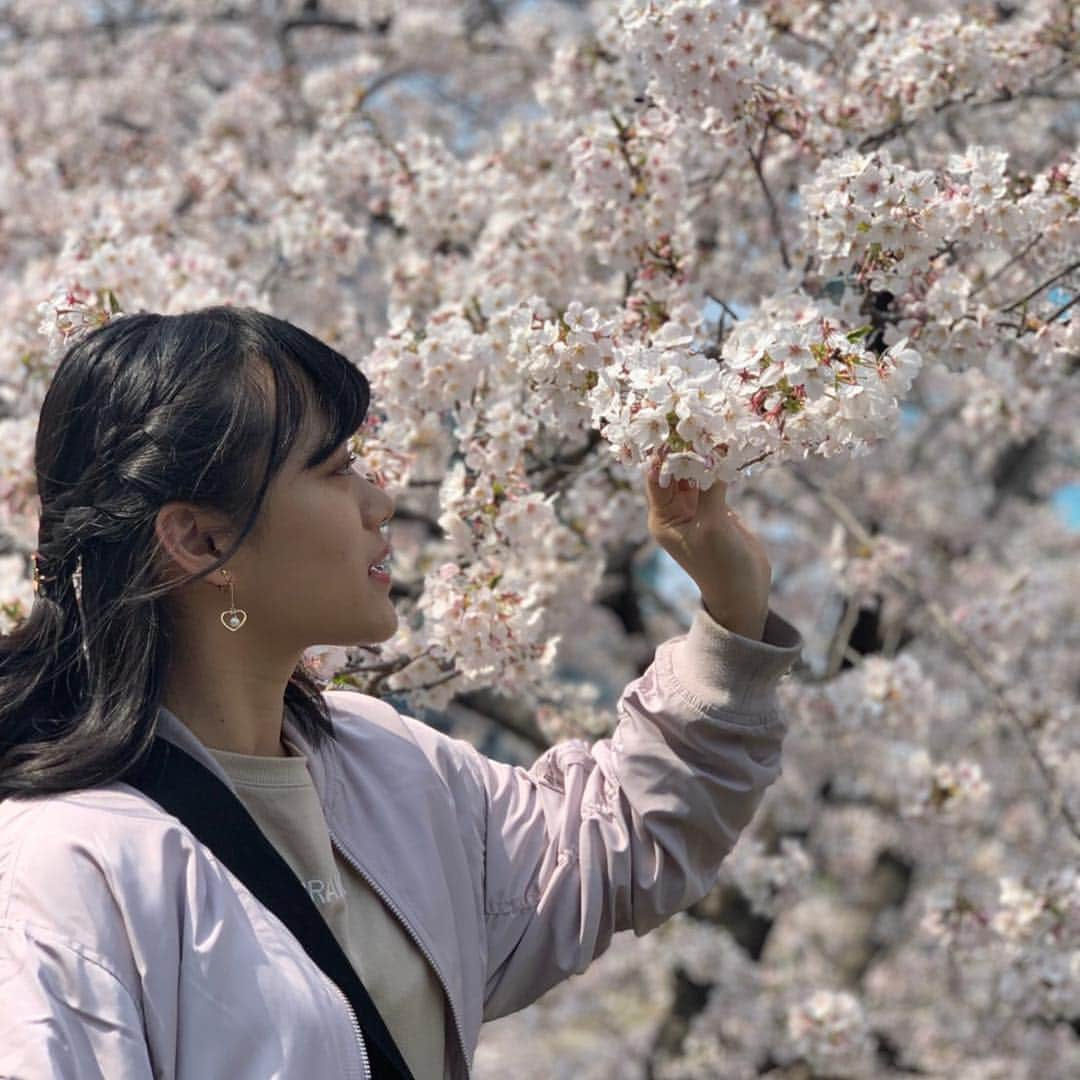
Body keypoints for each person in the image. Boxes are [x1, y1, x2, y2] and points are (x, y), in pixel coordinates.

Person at [0, 307, 803, 1079]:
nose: (380, 502)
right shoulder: (70, 866)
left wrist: (730, 617)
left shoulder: (387, 761)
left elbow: (615, 840)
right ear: (201, 539)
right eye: (335, 468)